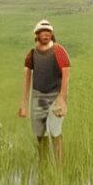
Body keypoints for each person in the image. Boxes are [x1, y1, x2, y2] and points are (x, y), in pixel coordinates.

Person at [18, 19, 70, 167]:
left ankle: (59, 167)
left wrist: (62, 98)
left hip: (54, 96)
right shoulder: (31, 54)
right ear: (37, 35)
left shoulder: (59, 51)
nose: (46, 35)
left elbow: (66, 74)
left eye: (48, 32)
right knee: (40, 134)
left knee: (55, 131)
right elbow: (27, 79)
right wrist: (24, 104)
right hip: (38, 97)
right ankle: (43, 164)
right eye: (43, 32)